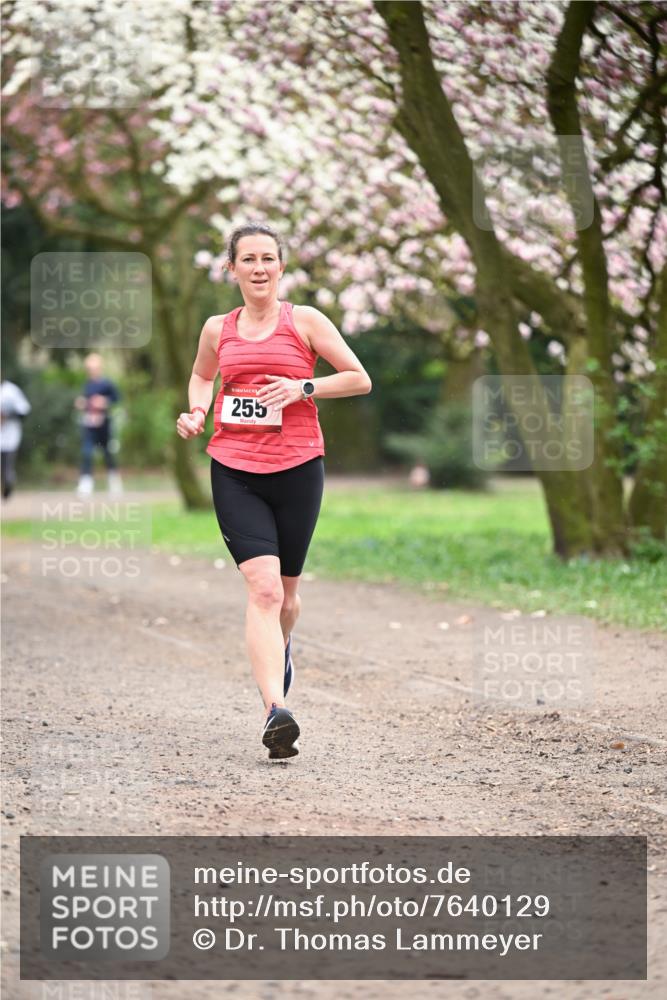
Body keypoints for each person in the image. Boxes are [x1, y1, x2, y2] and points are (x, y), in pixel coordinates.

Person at [176, 222, 372, 760]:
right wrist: (197, 411)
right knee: (261, 589)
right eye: (248, 259)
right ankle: (275, 712)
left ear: (281, 267)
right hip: (234, 468)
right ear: (232, 268)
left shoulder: (304, 321)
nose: (259, 268)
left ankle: (282, 648)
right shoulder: (218, 328)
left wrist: (302, 386)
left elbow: (359, 377)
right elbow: (201, 377)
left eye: (268, 258)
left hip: (298, 468)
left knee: (286, 595)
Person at [74, 353, 123, 496]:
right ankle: (86, 484)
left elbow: (117, 399)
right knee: (87, 453)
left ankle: (114, 483)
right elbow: (85, 401)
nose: (92, 371)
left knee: (108, 454)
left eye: (94, 368)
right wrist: (81, 403)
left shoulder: (107, 383)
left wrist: (104, 402)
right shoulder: (87, 384)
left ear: (99, 368)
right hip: (89, 425)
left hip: (104, 425)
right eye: (89, 368)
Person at [0, 378, 31, 500]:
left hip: (10, 436)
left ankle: (8, 489)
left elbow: (24, 410)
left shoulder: (10, 390)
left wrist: (7, 414)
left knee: (7, 468)